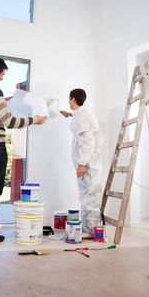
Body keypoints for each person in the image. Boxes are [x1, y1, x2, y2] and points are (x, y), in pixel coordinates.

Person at [0, 57, 46, 244]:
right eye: (2, 74)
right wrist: (35, 120)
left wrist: (4, 101)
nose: (2, 78)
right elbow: (10, 121)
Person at [60, 88, 103, 235]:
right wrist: (70, 114)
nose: (68, 101)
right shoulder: (82, 113)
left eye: (69, 99)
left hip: (88, 162)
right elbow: (83, 123)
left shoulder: (81, 116)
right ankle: (90, 227)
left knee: (88, 194)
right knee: (88, 192)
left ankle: (91, 229)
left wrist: (82, 163)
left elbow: (88, 141)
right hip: (90, 160)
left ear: (73, 99)